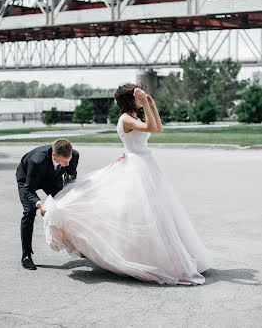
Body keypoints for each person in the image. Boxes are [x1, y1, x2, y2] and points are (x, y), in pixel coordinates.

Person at [42, 84, 211, 285]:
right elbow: (152, 128)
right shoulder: (126, 119)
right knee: (141, 212)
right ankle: (146, 257)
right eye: (137, 94)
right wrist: (147, 104)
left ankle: (164, 254)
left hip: (146, 163)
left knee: (158, 210)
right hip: (136, 165)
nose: (142, 96)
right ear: (130, 99)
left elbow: (159, 127)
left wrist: (150, 102)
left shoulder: (135, 116)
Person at [16, 139, 79, 270]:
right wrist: (40, 204)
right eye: (64, 162)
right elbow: (29, 189)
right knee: (29, 212)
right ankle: (26, 255)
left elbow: (71, 175)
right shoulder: (36, 161)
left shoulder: (74, 156)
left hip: (51, 178)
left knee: (67, 207)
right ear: (54, 155)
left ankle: (78, 246)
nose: (67, 164)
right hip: (27, 178)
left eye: (69, 160)